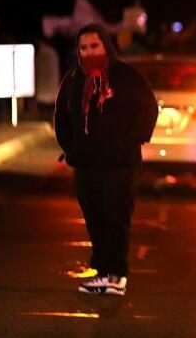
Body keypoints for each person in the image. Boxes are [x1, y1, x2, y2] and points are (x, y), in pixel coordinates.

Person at [54, 23, 158, 296]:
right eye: (84, 47)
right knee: (95, 220)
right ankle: (102, 273)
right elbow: (62, 117)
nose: (89, 52)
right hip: (86, 166)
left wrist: (131, 142)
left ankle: (117, 274)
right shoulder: (74, 79)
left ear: (106, 46)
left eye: (95, 46)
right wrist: (72, 148)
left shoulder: (127, 77)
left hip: (120, 166)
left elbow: (147, 109)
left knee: (116, 219)